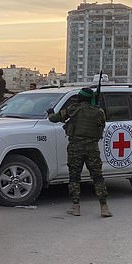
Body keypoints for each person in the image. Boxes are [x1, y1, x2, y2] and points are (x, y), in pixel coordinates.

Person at [47, 88, 112, 217]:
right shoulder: (99, 111)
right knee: (97, 177)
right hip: (92, 148)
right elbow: (101, 125)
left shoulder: (73, 108)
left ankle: (76, 206)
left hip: (75, 147)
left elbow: (55, 118)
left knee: (74, 177)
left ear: (80, 98)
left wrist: (50, 113)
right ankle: (104, 207)